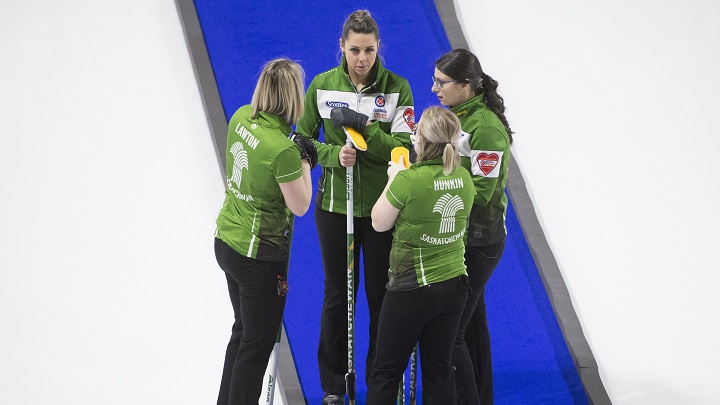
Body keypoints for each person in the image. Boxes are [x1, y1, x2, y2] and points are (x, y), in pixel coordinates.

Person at [295, 9, 415, 404]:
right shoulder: (321, 86)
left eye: (368, 50)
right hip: (335, 208)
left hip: (383, 210)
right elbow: (302, 141)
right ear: (341, 48)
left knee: (382, 296)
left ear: (379, 48)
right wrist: (334, 155)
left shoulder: (398, 89)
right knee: (339, 294)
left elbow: (405, 150)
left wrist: (366, 133)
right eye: (354, 50)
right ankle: (333, 386)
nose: (361, 58)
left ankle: (380, 385)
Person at [213, 58, 317, 405]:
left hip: (228, 241)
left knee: (242, 333)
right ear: (292, 98)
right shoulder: (282, 150)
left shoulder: (242, 116)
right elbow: (300, 205)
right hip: (258, 258)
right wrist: (306, 161)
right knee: (256, 347)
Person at [367, 106, 476, 404]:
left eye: (416, 133)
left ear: (423, 142)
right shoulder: (464, 178)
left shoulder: (408, 180)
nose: (413, 136)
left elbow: (378, 222)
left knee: (386, 372)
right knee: (439, 370)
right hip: (454, 286)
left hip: (412, 290)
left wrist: (393, 177)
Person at [432, 48, 514, 404]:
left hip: (480, 242)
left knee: (452, 336)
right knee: (473, 327)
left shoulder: (487, 130)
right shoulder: (460, 116)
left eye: (441, 82)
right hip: (466, 236)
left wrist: (440, 175)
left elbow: (481, 194)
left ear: (465, 86)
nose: (435, 88)